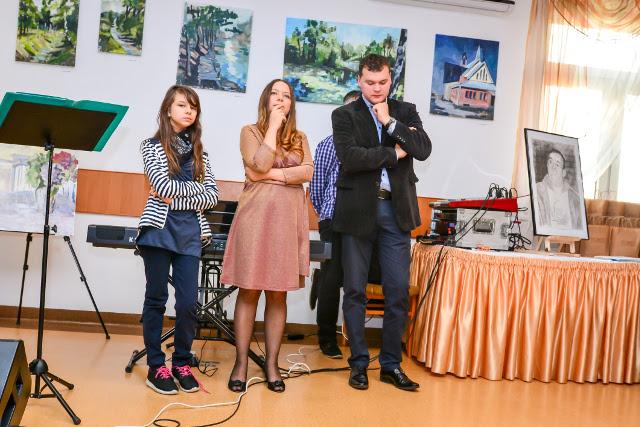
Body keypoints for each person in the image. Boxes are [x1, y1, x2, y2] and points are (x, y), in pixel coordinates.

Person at [331, 54, 432, 391]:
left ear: (391, 80)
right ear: (359, 81)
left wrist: (390, 123)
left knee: (398, 292)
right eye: (370, 82)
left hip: (395, 210)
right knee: (355, 291)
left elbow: (423, 149)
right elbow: (351, 158)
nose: (376, 88)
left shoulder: (405, 112)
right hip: (357, 210)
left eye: (383, 82)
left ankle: (390, 365)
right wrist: (395, 153)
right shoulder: (344, 115)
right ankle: (358, 364)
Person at [221, 79, 313, 393]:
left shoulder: (300, 137)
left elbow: (307, 171)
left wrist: (270, 175)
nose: (280, 99)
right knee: (248, 291)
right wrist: (273, 127)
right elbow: (257, 162)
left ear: (292, 104)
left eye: (286, 96)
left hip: (287, 223)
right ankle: (241, 363)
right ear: (265, 100)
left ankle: (272, 364)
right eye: (275, 94)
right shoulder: (250, 132)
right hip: (255, 220)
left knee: (278, 294)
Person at [137, 85, 219, 394]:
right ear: (168, 110)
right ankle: (156, 366)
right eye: (182, 105)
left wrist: (178, 195)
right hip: (158, 231)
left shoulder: (201, 153)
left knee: (187, 303)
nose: (188, 111)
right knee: (156, 299)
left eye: (193, 107)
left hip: (191, 233)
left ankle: (181, 362)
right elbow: (161, 186)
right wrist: (192, 192)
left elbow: (212, 196)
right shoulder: (151, 146)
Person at [310, 90, 361, 359]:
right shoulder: (329, 144)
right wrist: (326, 215)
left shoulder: (373, 146)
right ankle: (327, 337)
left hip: (362, 221)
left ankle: (356, 337)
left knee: (356, 279)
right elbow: (317, 187)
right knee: (332, 279)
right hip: (333, 219)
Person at [535, 149, 582, 229]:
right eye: (550, 162)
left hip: (568, 236)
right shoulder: (537, 190)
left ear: (563, 173)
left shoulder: (575, 198)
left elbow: (580, 227)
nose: (553, 167)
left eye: (557, 164)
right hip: (547, 236)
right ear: (547, 166)